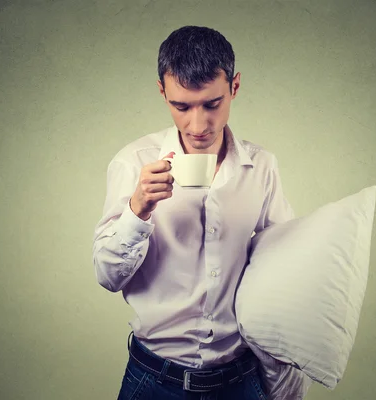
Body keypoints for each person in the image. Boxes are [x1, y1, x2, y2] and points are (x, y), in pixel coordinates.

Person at [93, 25, 305, 399]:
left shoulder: (262, 166)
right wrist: (138, 208)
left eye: (212, 103)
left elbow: (281, 274)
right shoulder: (133, 163)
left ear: (234, 87)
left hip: (240, 379)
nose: (198, 125)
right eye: (181, 106)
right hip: (154, 380)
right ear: (162, 92)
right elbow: (108, 276)